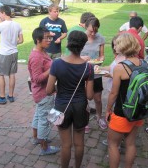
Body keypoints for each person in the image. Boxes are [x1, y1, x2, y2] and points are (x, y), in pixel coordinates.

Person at [46, 30, 94, 168]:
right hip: (80, 106)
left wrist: (59, 90)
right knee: (79, 143)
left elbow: (48, 90)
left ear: (67, 44)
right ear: (83, 46)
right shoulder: (88, 67)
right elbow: (90, 95)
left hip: (62, 106)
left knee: (66, 145)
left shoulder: (56, 64)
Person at [105, 33, 144, 168]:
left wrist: (108, 109)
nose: (114, 46)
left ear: (123, 46)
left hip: (122, 112)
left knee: (113, 144)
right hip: (138, 110)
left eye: (116, 44)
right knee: (131, 144)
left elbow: (114, 93)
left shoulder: (120, 67)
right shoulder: (143, 63)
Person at [28, 27, 60, 155]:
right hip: (43, 93)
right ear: (38, 40)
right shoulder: (36, 56)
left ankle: (36, 138)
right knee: (44, 120)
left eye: (50, 37)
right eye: (47, 38)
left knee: (38, 116)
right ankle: (44, 148)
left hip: (41, 93)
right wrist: (53, 66)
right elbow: (36, 79)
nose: (50, 40)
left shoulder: (42, 52)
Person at [0, 5, 23, 104]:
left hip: (4, 53)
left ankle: (2, 97)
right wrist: (13, 43)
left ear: (4, 13)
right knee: (12, 74)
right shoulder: (17, 25)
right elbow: (21, 40)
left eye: (0, 13)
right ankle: (11, 96)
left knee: (0, 74)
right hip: (14, 52)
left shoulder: (0, 25)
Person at [81, 17, 107, 131]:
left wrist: (100, 61)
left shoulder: (100, 38)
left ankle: (99, 117)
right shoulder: (80, 38)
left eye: (95, 31)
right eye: (91, 31)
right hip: (82, 72)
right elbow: (74, 55)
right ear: (85, 27)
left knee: (97, 98)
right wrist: (83, 59)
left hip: (96, 72)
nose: (93, 33)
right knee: (83, 98)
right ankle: (84, 120)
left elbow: (101, 55)